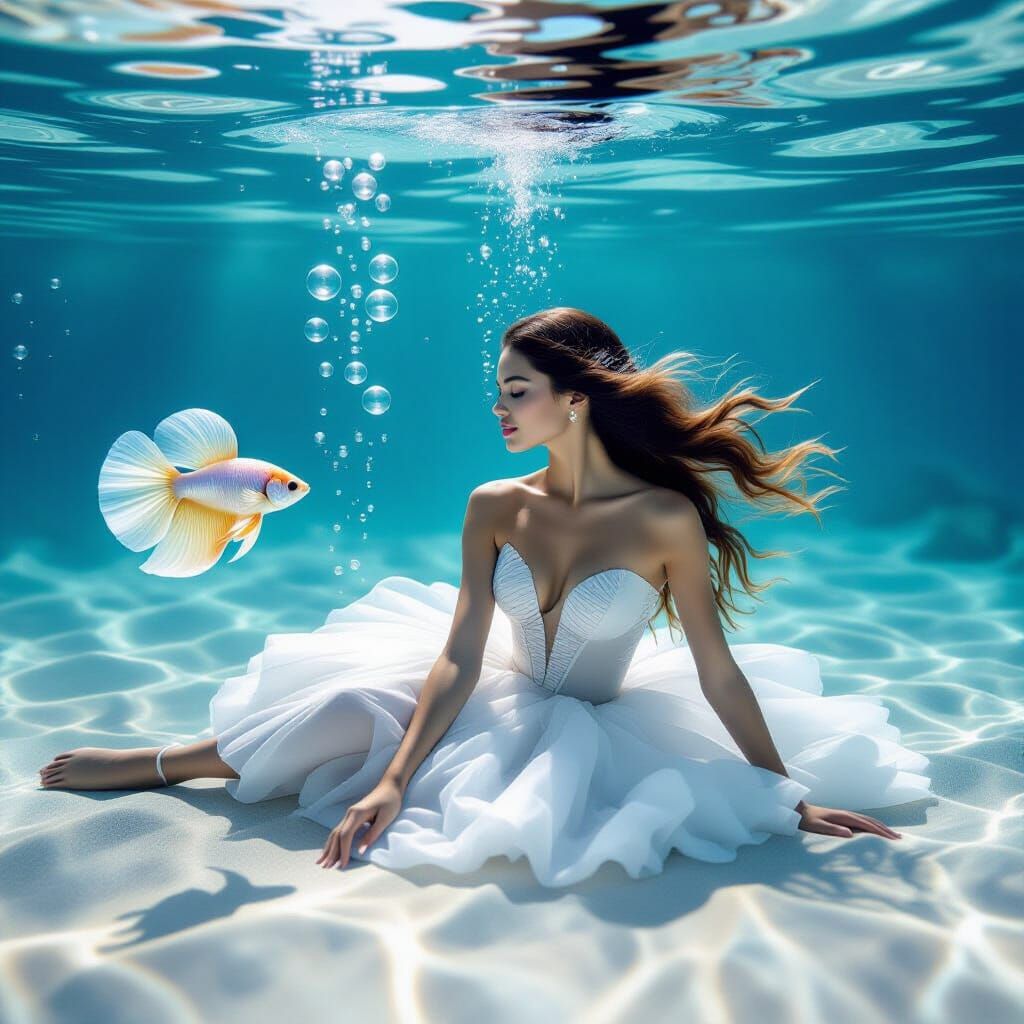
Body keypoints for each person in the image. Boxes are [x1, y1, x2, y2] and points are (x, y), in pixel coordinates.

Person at [39, 307, 931, 887]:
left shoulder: (663, 519)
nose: (498, 411)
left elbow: (717, 671)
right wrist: (393, 781)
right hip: (489, 691)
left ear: (576, 401)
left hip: (602, 724)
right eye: (495, 392)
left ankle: (195, 761)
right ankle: (168, 761)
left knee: (395, 747)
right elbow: (462, 652)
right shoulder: (493, 504)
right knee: (347, 705)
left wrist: (786, 795)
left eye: (517, 392)